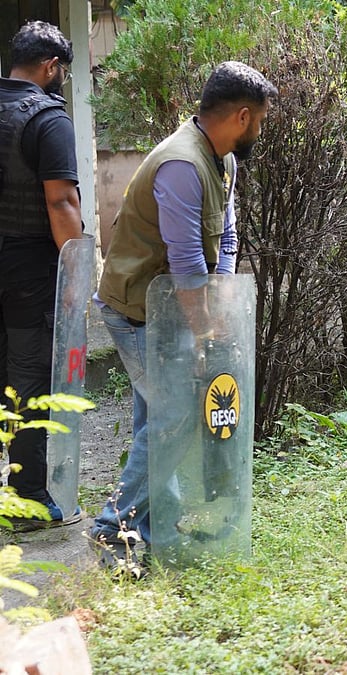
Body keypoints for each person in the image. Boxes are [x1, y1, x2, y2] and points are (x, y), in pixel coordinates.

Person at [88, 61, 276, 575]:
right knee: (172, 422)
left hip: (169, 310)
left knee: (159, 420)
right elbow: (188, 264)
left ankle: (149, 534)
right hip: (134, 311)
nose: (260, 129)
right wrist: (207, 333)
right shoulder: (181, 165)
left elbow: (227, 240)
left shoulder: (223, 160)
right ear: (241, 116)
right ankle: (111, 530)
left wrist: (219, 305)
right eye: (259, 120)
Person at [1, 20, 86, 530]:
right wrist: (77, 270)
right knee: (29, 377)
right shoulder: (48, 119)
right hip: (28, 270)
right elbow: (61, 200)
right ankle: (28, 498)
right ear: (51, 67)